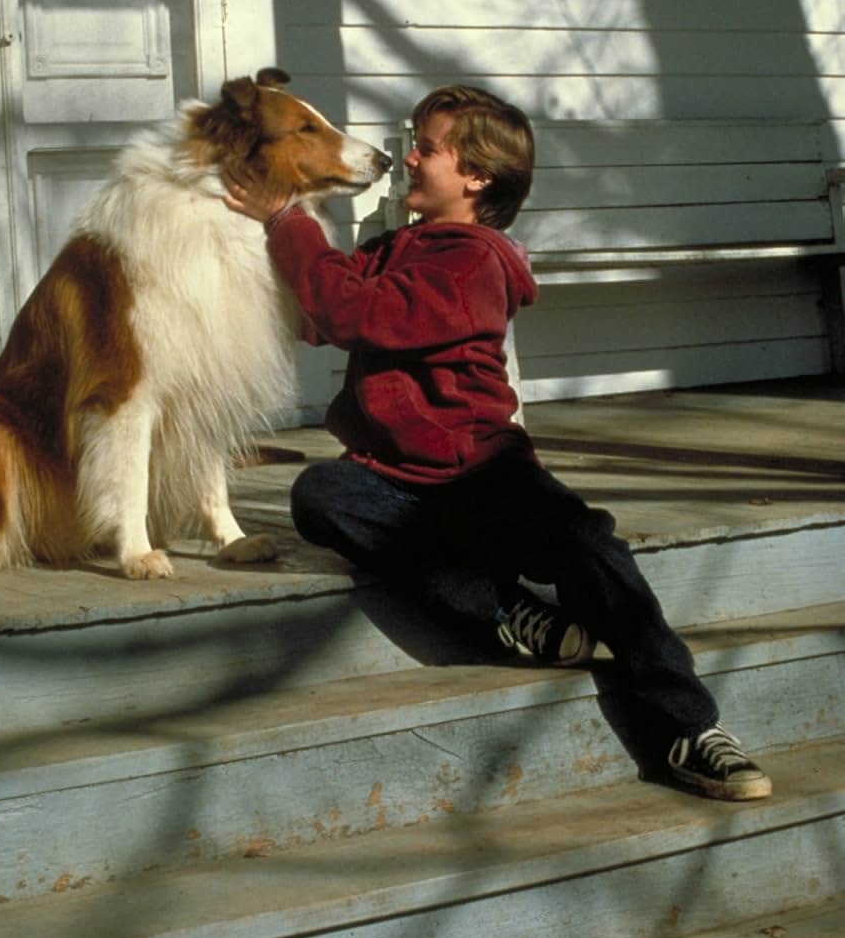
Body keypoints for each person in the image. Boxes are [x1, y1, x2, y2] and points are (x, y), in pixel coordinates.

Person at [222, 84, 771, 802]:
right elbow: (317, 318)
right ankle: (510, 612)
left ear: (477, 178)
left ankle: (688, 725)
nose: (409, 155)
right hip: (400, 480)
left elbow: (351, 311)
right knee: (320, 493)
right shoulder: (393, 247)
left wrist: (288, 221)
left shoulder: (475, 261)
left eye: (429, 146)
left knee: (593, 550)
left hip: (485, 474)